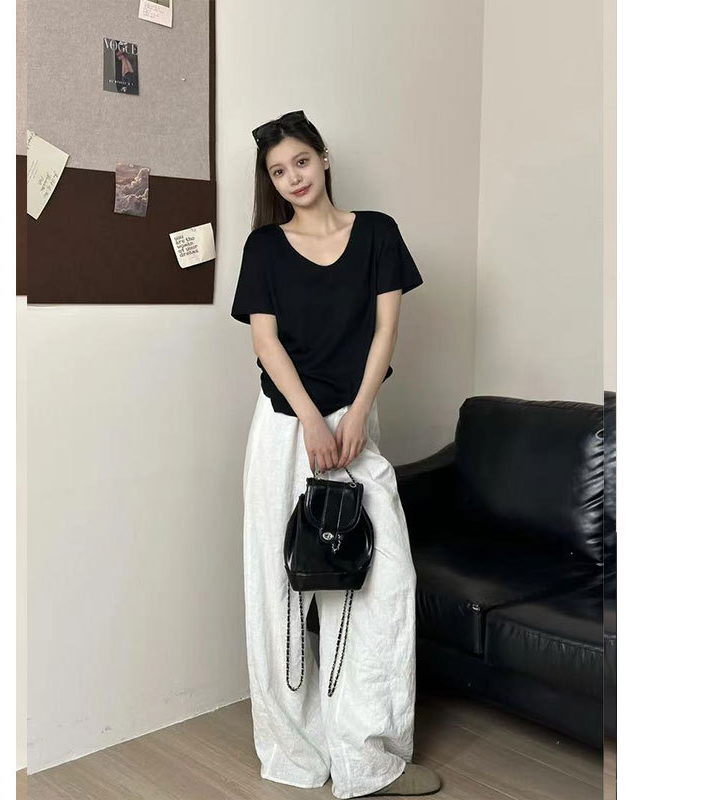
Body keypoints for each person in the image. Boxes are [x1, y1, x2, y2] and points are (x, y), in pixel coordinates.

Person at [230, 110, 441, 799]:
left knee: (381, 587)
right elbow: (265, 342)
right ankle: (299, 753)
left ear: (323, 158)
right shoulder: (265, 247)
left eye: (300, 161)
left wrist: (356, 411)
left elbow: (385, 332)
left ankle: (367, 758)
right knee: (282, 591)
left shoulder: (376, 232)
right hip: (284, 429)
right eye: (277, 171)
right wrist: (312, 422)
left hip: (354, 424)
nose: (292, 178)